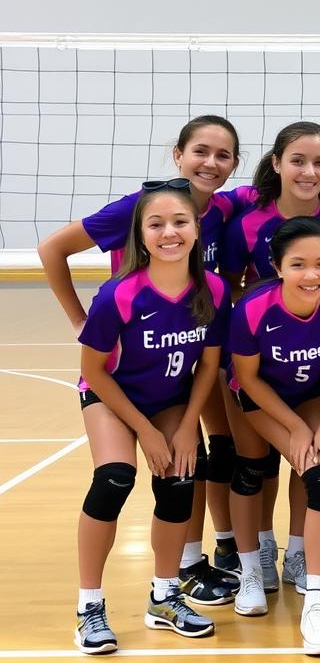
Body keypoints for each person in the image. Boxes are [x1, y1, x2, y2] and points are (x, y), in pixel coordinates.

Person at [39, 115, 243, 607]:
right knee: (115, 479)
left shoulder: (218, 219)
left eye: (223, 155)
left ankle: (176, 582)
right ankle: (90, 604)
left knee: (188, 468)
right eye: (200, 151)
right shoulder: (135, 217)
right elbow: (52, 249)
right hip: (117, 374)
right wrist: (81, 323)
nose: (210, 163)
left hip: (177, 372)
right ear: (177, 155)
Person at [75, 182, 230, 653]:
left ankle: (164, 597)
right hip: (112, 396)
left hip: (172, 402)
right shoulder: (119, 295)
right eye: (156, 224)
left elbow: (208, 364)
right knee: (115, 479)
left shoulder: (213, 289)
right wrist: (145, 432)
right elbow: (92, 372)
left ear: (197, 230)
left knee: (182, 476)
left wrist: (186, 429)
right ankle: (89, 605)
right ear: (139, 236)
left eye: (180, 222)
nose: (169, 232)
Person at [220, 121, 320, 597]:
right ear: (276, 163)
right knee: (252, 466)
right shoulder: (245, 216)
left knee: (317, 460)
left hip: (311, 371)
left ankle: (301, 553)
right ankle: (255, 555)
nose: (308, 171)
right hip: (253, 368)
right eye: (297, 160)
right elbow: (225, 288)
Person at [228, 217, 320, 654]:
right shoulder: (252, 308)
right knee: (252, 471)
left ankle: (316, 603)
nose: (311, 275)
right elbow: (248, 380)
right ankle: (251, 568)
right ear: (277, 265)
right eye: (299, 265)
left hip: (310, 393)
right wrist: (298, 429)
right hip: (260, 399)